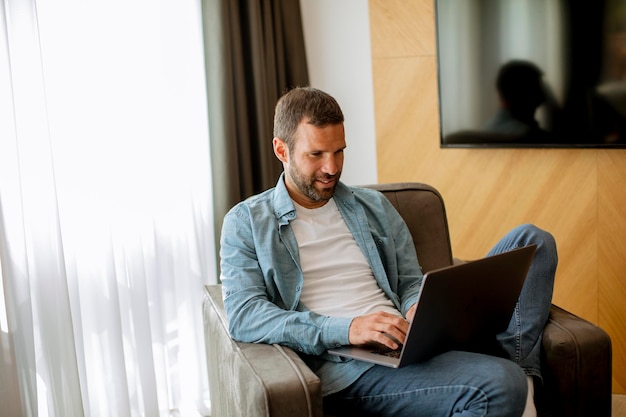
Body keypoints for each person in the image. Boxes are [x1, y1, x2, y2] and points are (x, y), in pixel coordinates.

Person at [220, 86, 558, 417]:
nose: (332, 167)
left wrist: (416, 307)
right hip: (348, 365)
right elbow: (245, 315)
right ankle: (519, 389)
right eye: (316, 155)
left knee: (534, 241)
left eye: (339, 151)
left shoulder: (373, 207)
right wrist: (347, 329)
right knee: (498, 384)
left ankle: (521, 378)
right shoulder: (246, 222)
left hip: (406, 340)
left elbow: (410, 280)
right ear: (282, 150)